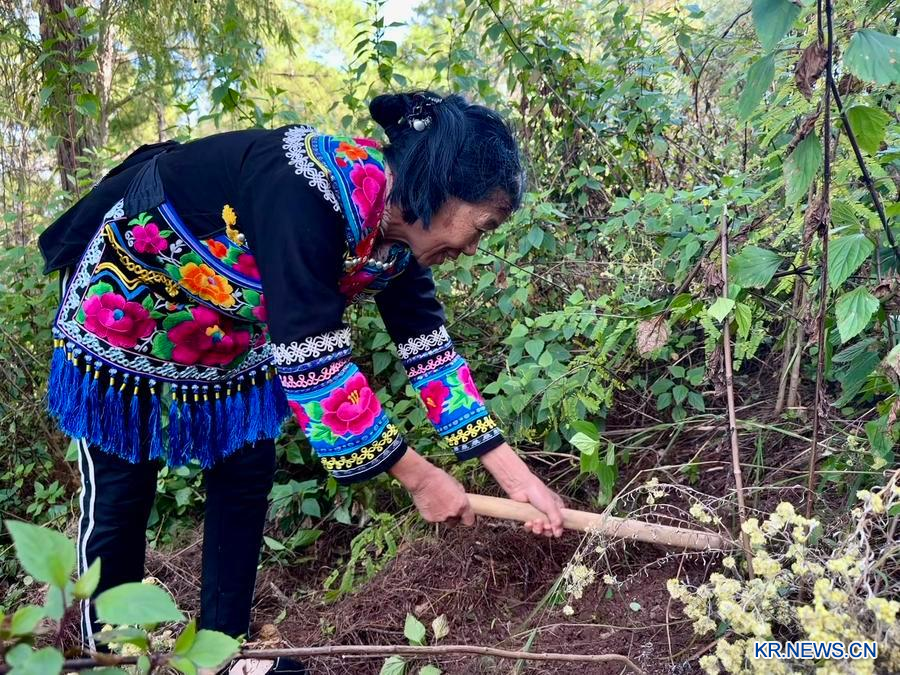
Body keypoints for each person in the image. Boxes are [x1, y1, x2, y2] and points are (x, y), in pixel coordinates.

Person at [39, 90, 565, 675]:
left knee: (245, 471)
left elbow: (429, 351)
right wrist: (421, 479)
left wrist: (519, 480)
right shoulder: (304, 191)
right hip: (129, 298)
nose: (471, 248)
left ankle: (222, 653)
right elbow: (317, 367)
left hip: (232, 324)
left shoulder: (395, 238)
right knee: (122, 485)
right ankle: (103, 657)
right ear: (439, 189)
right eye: (481, 226)